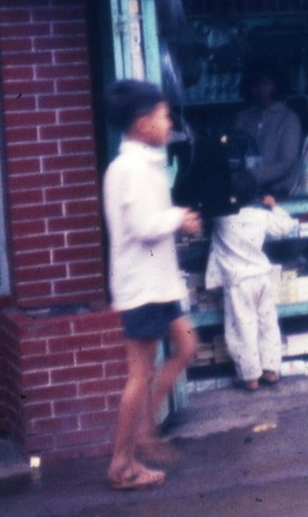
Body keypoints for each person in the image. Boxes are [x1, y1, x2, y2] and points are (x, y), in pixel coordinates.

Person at [102, 79, 202, 491]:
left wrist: (174, 219)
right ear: (143, 124)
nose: (169, 123)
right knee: (139, 374)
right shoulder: (130, 170)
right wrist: (178, 218)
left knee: (188, 347)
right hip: (142, 287)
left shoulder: (143, 164)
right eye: (163, 116)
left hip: (158, 283)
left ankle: (145, 428)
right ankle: (122, 462)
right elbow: (143, 226)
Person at [205, 169, 297, 390]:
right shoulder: (260, 215)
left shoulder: (221, 220)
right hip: (262, 278)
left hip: (239, 283)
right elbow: (285, 226)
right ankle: (271, 368)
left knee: (242, 329)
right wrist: (273, 205)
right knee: (267, 324)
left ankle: (250, 376)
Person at [231, 60, 303, 197]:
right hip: (243, 193)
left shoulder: (289, 119)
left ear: (276, 85)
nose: (260, 89)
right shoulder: (243, 117)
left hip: (277, 193)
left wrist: (251, 176)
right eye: (255, 84)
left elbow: (286, 163)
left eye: (265, 84)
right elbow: (234, 154)